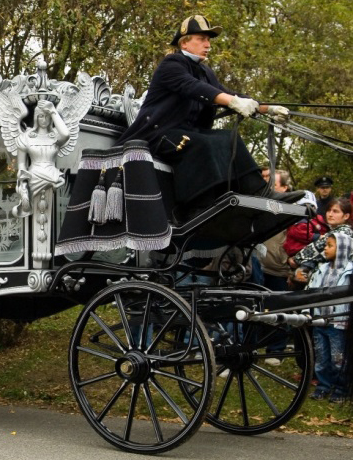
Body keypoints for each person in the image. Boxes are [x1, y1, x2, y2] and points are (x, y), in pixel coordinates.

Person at [116, 15, 304, 215]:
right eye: (201, 39)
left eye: (208, 40)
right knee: (204, 143)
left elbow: (228, 93)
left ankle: (260, 192)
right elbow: (193, 87)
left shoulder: (205, 72)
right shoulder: (171, 64)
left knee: (228, 137)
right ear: (185, 42)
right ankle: (197, 205)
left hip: (187, 133)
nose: (208, 45)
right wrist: (232, 102)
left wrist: (267, 108)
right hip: (157, 136)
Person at [306, 233, 351, 403]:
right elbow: (311, 291)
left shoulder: (349, 271)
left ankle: (341, 389)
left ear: (342, 250)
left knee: (338, 359)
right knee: (322, 357)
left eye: (330, 246)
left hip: (338, 323)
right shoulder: (322, 269)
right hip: (320, 321)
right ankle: (323, 386)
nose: (325, 248)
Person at [12, 99, 69, 218]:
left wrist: (53, 110)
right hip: (33, 175)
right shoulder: (26, 138)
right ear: (36, 118)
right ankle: (25, 195)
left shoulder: (55, 137)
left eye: (47, 116)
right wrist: (23, 179)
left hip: (52, 173)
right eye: (41, 116)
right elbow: (21, 165)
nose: (44, 120)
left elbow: (66, 134)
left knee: (57, 180)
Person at [292, 198, 353, 284]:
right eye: (329, 210)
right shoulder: (333, 230)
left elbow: (315, 250)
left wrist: (296, 259)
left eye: (335, 211)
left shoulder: (342, 233)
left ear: (346, 216)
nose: (330, 214)